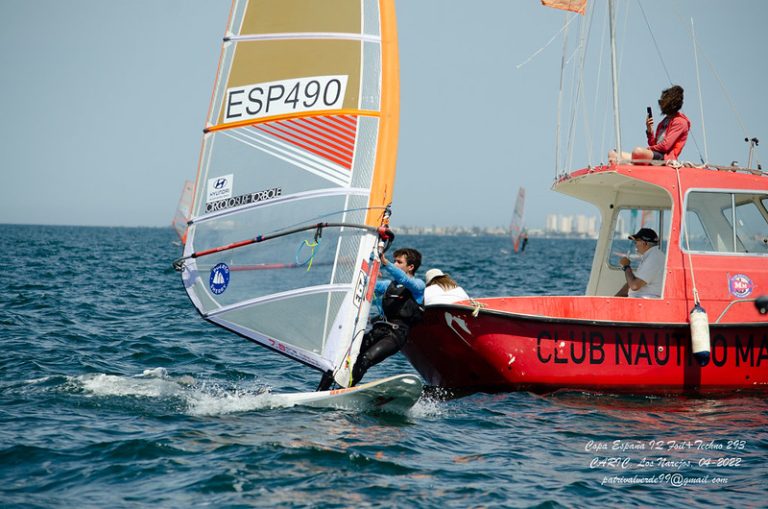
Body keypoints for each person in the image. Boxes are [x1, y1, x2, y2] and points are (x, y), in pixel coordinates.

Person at [317, 247, 425, 390]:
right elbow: (365, 282)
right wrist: (367, 273)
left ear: (410, 267)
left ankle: (343, 391)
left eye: (399, 262)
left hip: (395, 335)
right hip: (379, 330)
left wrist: (386, 263)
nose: (395, 264)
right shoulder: (388, 285)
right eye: (394, 261)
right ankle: (319, 392)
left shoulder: (418, 286)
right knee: (342, 357)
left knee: (365, 359)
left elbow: (405, 280)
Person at [609, 85, 691, 163]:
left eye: (661, 102)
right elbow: (655, 145)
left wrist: (648, 149)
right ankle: (632, 165)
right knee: (613, 155)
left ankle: (635, 162)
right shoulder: (663, 122)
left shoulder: (680, 122)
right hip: (656, 155)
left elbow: (666, 146)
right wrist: (649, 130)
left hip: (665, 158)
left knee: (638, 152)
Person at [615, 228, 665, 298]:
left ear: (644, 243)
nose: (635, 245)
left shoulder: (654, 258)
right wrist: (615, 298)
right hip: (640, 298)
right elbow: (631, 283)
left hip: (644, 300)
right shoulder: (651, 256)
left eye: (636, 242)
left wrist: (626, 266)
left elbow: (634, 286)